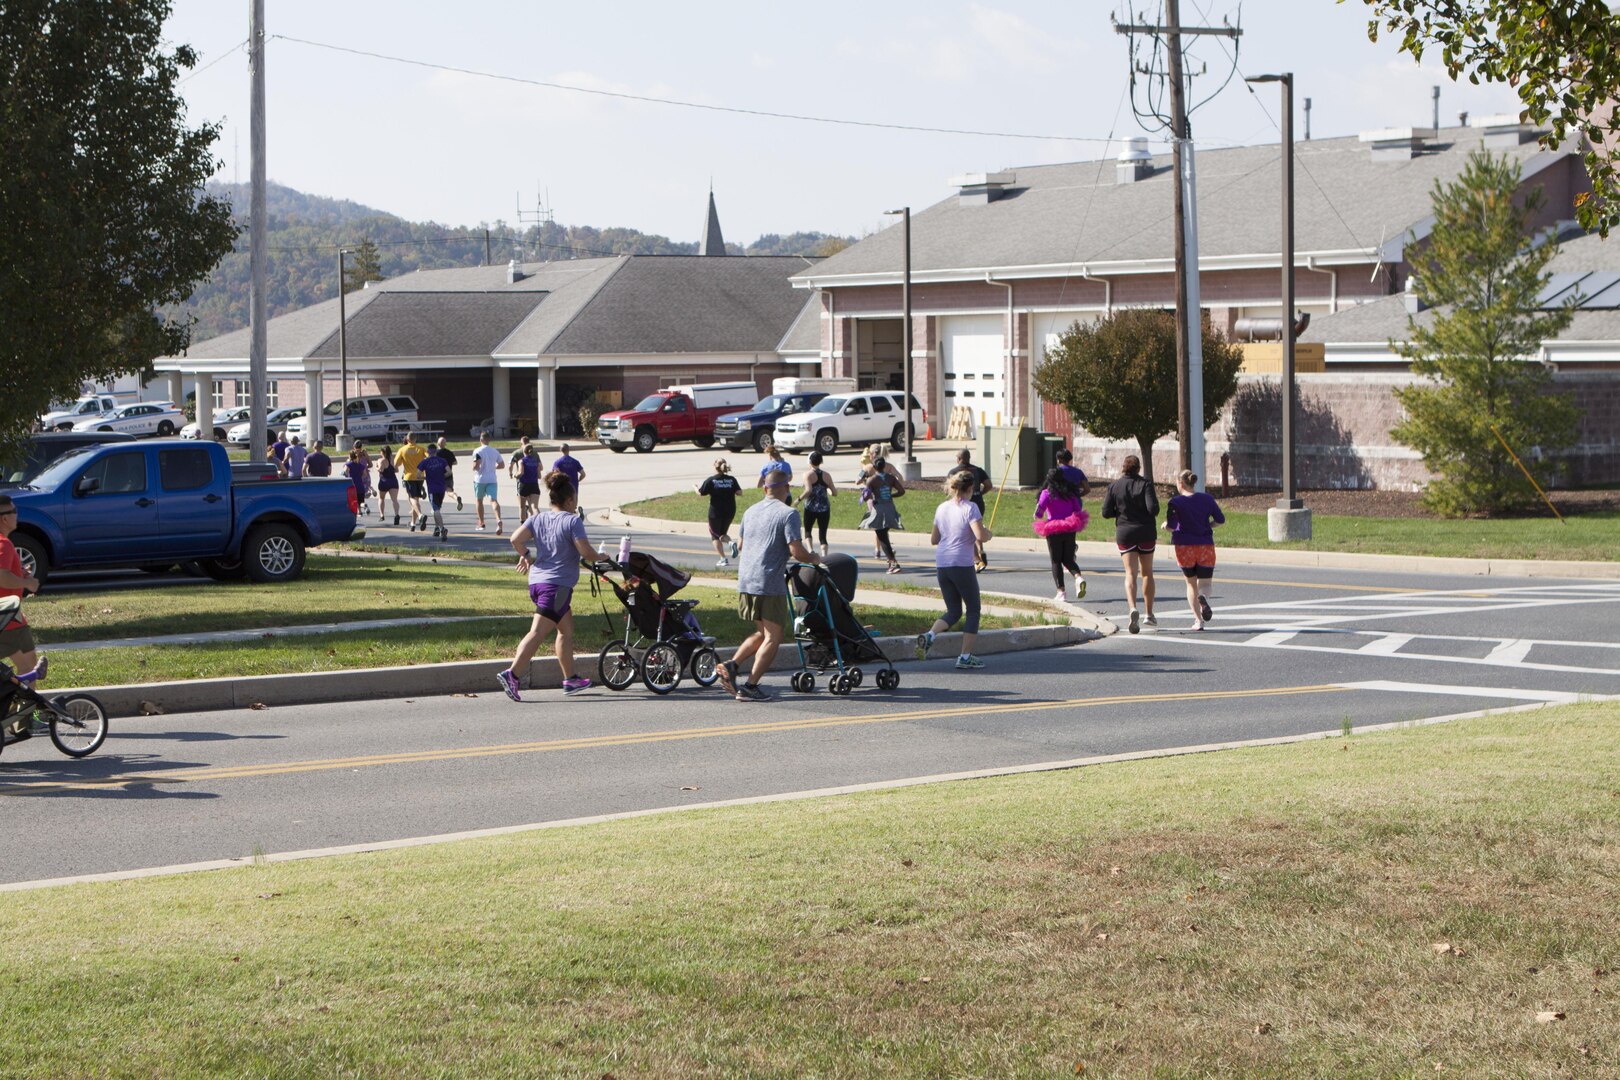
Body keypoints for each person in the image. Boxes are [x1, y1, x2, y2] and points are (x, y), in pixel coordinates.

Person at [716, 466, 820, 702]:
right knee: (774, 636)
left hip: (746, 580)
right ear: (786, 488)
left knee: (762, 632)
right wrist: (814, 558)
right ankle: (750, 687)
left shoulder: (750, 511)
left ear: (765, 488)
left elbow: (741, 545)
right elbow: (796, 550)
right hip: (768, 581)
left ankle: (731, 665)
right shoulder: (788, 514)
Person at [496, 470, 600, 701]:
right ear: (570, 500)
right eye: (575, 501)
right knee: (537, 632)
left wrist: (525, 554)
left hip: (538, 583)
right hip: (557, 587)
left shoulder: (537, 518)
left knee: (566, 630)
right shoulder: (572, 520)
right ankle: (512, 674)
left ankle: (571, 679)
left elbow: (515, 539)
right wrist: (601, 557)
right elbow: (585, 551)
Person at [914, 470, 994, 670]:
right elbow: (980, 535)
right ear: (970, 488)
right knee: (973, 609)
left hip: (942, 563)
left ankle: (930, 635)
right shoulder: (971, 507)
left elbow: (934, 539)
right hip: (961, 563)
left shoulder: (941, 508)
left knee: (954, 611)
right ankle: (965, 656)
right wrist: (988, 534)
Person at [0, 497, 45, 741]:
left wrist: (19, 572)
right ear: (5, 517)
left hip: (8, 615)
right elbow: (1, 577)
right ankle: (25, 721)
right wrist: (27, 582)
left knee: (23, 668)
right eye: (14, 511)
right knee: (30, 667)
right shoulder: (4, 544)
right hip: (8, 618)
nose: (18, 515)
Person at [1102, 454, 1161, 634]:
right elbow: (1154, 509)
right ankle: (1148, 614)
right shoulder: (1146, 484)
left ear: (1123, 467)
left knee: (1130, 573)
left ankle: (1132, 608)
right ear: (1138, 468)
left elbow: (1105, 512)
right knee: (1147, 573)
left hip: (1125, 532)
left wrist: (1119, 513)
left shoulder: (1115, 486)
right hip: (1146, 532)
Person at [1164, 469, 1225, 631]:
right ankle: (1203, 597)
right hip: (1205, 545)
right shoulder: (1207, 499)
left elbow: (1173, 526)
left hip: (1184, 547)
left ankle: (1198, 621)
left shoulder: (1175, 502)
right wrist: (1208, 526)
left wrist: (1165, 526)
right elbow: (1220, 520)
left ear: (1181, 483)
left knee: (1191, 584)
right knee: (1205, 583)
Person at [1034, 467, 1089, 603]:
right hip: (1070, 526)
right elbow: (1077, 509)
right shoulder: (1070, 493)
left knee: (1056, 561)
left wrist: (1037, 513)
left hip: (1053, 528)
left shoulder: (1046, 493)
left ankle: (1061, 592)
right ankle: (1078, 577)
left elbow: (1039, 513)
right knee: (1068, 559)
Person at [858, 452, 906, 574]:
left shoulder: (871, 480)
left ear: (874, 467)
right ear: (884, 466)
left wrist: (865, 494)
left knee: (882, 536)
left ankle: (893, 563)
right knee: (883, 535)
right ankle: (892, 562)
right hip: (890, 507)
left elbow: (867, 495)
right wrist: (891, 495)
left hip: (879, 508)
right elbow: (902, 491)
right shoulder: (891, 478)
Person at [946, 448, 993, 568]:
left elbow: (948, 489)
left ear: (959, 459)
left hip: (962, 502)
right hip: (978, 501)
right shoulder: (978, 470)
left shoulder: (953, 472)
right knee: (976, 527)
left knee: (967, 530)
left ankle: (977, 560)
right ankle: (981, 551)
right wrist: (980, 493)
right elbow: (988, 485)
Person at [697, 459, 741, 567]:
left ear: (714, 466)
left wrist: (694, 487)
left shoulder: (711, 480)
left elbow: (701, 493)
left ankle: (723, 558)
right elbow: (739, 492)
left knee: (714, 536)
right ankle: (730, 542)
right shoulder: (731, 479)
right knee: (722, 533)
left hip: (715, 512)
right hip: (730, 511)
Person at [798, 450, 836, 558]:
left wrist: (798, 499)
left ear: (810, 461)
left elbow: (808, 490)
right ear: (821, 461)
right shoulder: (827, 475)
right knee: (823, 533)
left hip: (810, 507)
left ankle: (811, 551)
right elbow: (835, 493)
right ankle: (824, 556)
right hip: (824, 508)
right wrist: (828, 488)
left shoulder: (807, 474)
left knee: (808, 530)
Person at [471, 430, 505, 534]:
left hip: (480, 479)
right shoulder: (494, 451)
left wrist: (475, 467)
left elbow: (475, 466)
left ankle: (481, 522)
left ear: (480, 439)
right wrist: (494, 466)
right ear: (489, 440)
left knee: (479, 500)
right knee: (493, 500)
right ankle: (498, 519)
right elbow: (502, 465)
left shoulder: (477, 451)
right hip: (492, 479)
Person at [395, 433, 428, 530]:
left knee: (412, 498)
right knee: (416, 500)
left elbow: (396, 463)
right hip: (420, 476)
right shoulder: (421, 449)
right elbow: (428, 457)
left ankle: (420, 515)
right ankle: (413, 523)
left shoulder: (402, 449)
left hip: (409, 477)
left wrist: (403, 460)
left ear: (407, 439)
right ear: (416, 439)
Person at [418, 446, 450, 539]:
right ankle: (437, 528)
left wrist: (426, 478)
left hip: (432, 488)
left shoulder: (425, 462)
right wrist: (441, 476)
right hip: (441, 487)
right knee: (437, 509)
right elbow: (449, 472)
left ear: (428, 452)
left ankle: (442, 528)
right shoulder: (442, 461)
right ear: (436, 451)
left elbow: (418, 475)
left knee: (435, 510)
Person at [551, 443, 585, 517]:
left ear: (560, 450)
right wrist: (578, 480)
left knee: (563, 505)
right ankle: (574, 516)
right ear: (569, 450)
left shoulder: (558, 462)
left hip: (563, 487)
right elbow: (583, 474)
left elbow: (555, 474)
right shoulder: (575, 461)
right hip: (574, 487)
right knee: (572, 504)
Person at [375, 443, 401, 525]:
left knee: (381, 498)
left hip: (384, 481)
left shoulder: (381, 460)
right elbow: (396, 470)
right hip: (393, 481)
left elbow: (381, 470)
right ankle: (396, 514)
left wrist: (376, 467)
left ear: (382, 452)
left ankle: (382, 515)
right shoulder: (392, 459)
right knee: (394, 500)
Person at [435, 437, 463, 511]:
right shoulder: (449, 453)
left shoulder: (436, 454)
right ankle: (456, 498)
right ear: (445, 444)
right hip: (449, 476)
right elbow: (455, 462)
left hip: (439, 476)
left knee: (438, 493)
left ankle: (437, 508)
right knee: (449, 491)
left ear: (437, 443)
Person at [516, 444, 542, 518]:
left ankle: (523, 524)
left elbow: (521, 472)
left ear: (523, 451)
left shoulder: (521, 461)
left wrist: (515, 475)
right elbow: (539, 476)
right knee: (534, 507)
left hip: (524, 485)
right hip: (534, 485)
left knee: (522, 507)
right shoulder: (536, 461)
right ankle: (540, 522)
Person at [345, 447, 371, 514]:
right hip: (360, 484)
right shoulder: (361, 465)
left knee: (354, 500)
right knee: (361, 501)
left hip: (352, 484)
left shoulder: (348, 465)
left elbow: (345, 472)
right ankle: (363, 507)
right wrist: (360, 477)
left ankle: (359, 512)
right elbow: (365, 474)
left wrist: (346, 475)